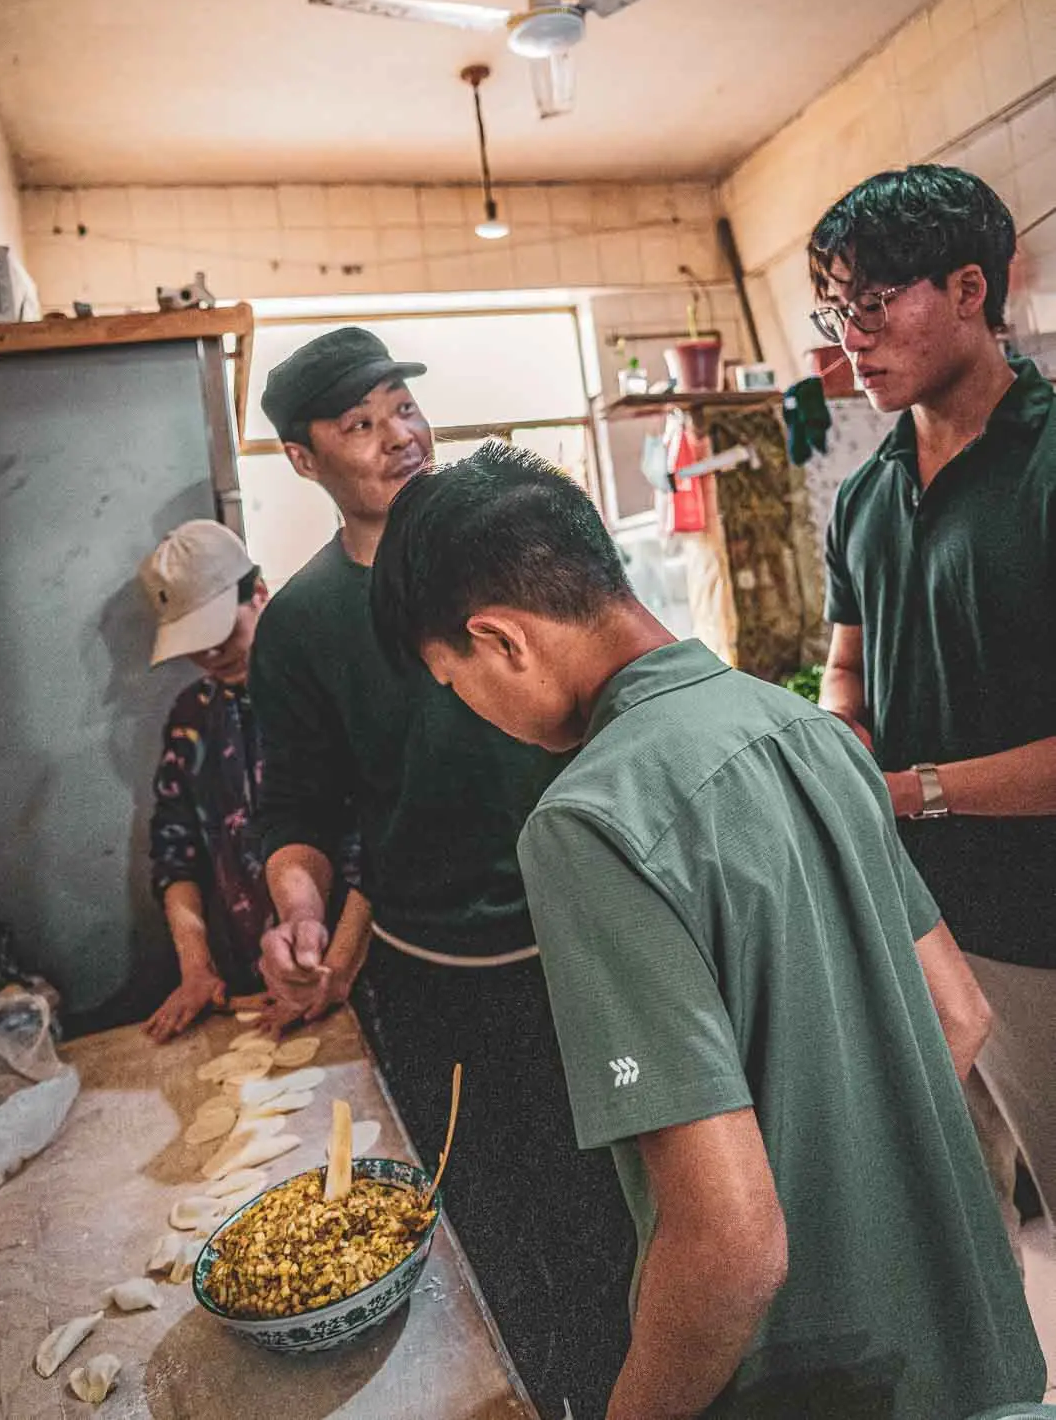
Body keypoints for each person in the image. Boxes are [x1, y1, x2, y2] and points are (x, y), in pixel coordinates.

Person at [369, 440, 1045, 1420]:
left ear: (504, 639)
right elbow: (959, 1013)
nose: (474, 712)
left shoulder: (588, 823)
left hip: (819, 1384)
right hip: (977, 1341)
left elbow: (729, 1244)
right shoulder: (804, 725)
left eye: (455, 681)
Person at [248, 327, 634, 1420]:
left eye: (401, 408)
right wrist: (299, 910)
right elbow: (297, 809)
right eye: (358, 424)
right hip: (434, 982)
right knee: (491, 1229)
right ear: (302, 459)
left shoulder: (513, 547)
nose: (397, 436)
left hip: (586, 948)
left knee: (624, 1207)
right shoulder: (302, 624)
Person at [808, 165, 1056, 1250]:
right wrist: (840, 740)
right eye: (835, 307)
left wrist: (905, 793)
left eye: (872, 303)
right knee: (959, 1233)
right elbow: (847, 674)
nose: (850, 336)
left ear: (969, 288)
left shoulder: (1047, 465)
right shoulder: (866, 495)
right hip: (919, 921)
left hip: (1044, 929)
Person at [138, 519, 359, 1041]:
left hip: (355, 968)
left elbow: (378, 840)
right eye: (194, 646)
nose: (212, 656)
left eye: (220, 635)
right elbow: (176, 851)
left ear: (258, 593)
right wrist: (198, 968)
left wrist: (338, 964)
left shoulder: (332, 687)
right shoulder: (192, 717)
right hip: (252, 978)